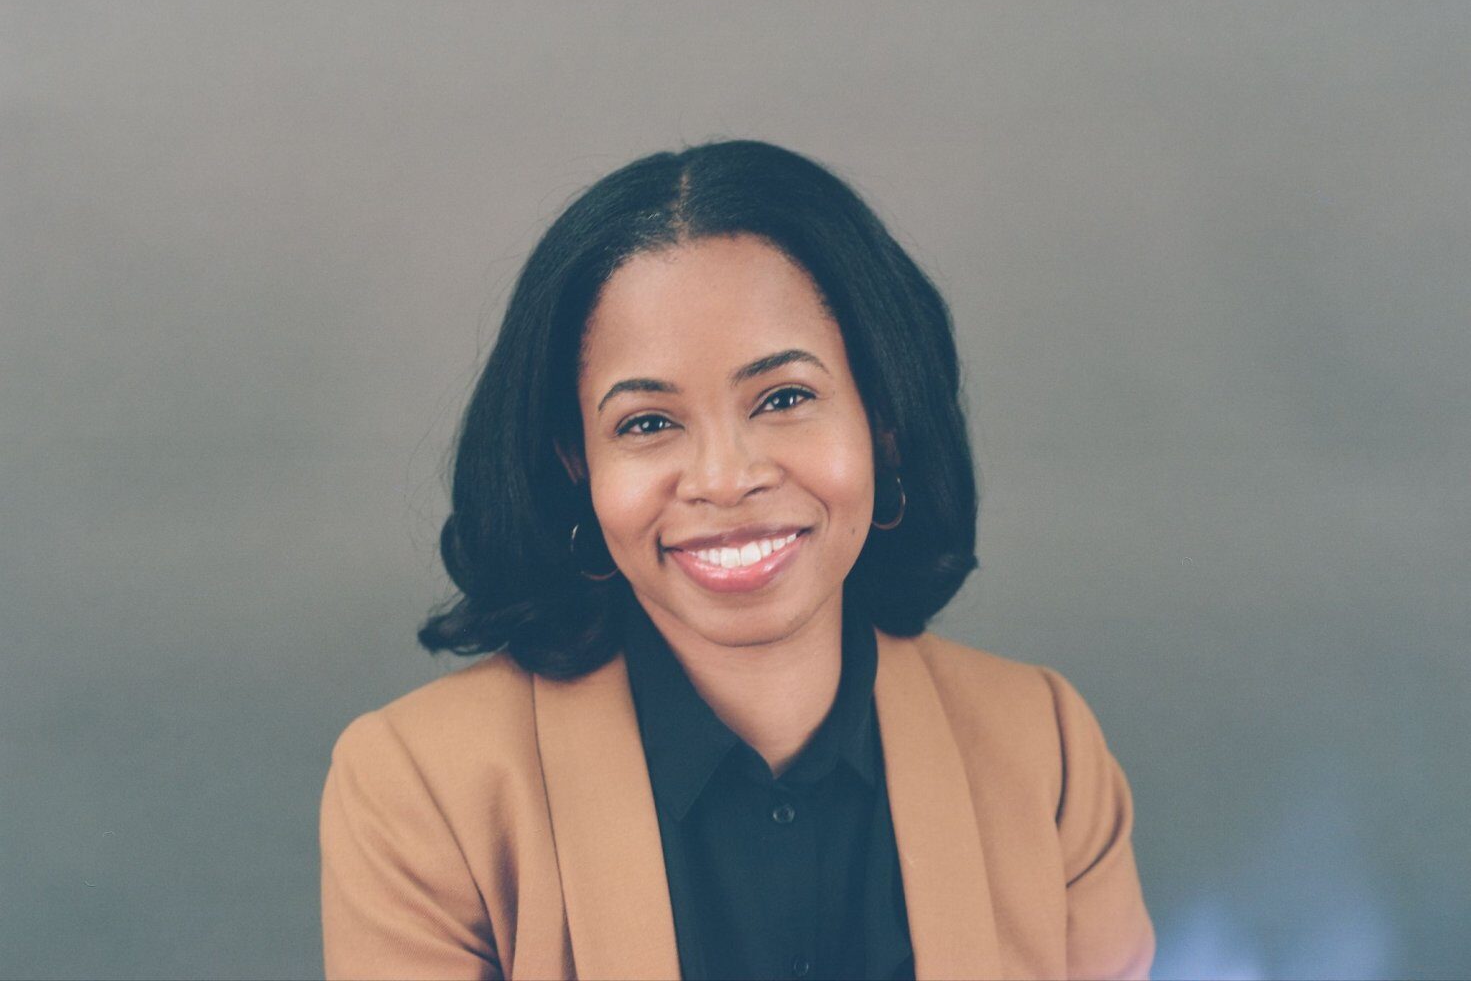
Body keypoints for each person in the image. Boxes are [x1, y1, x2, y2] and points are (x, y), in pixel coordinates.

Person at [319, 140, 1154, 981]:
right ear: (577, 463)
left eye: (784, 398)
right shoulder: (421, 786)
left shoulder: (1042, 746)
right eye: (647, 423)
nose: (724, 479)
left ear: (884, 422)